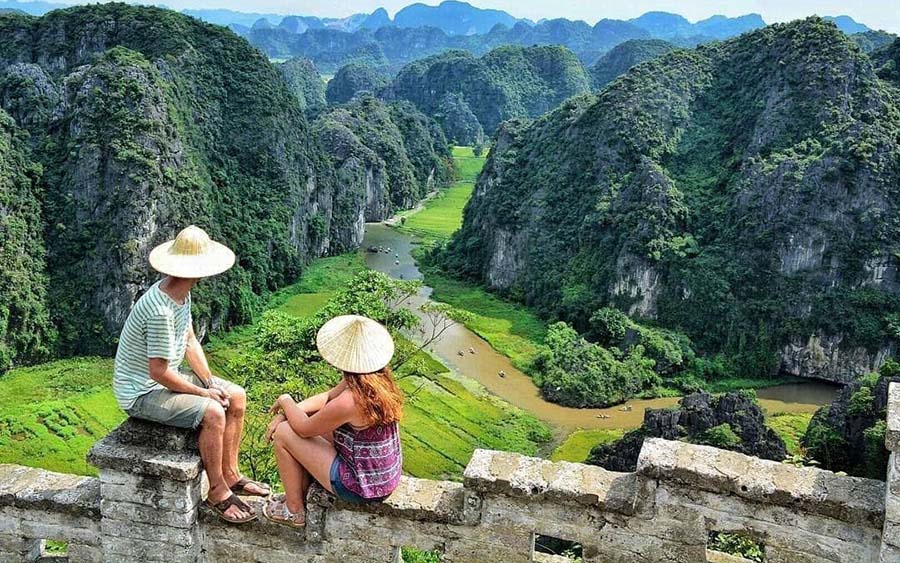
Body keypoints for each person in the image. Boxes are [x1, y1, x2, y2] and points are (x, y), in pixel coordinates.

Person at [113, 225, 270, 524]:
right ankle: (218, 491)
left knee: (235, 395)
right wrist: (203, 394)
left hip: (165, 377)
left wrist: (210, 382)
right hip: (141, 392)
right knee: (213, 412)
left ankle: (231, 473)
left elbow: (189, 341)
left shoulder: (179, 294)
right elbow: (157, 372)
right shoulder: (160, 310)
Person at [263, 315, 404, 528]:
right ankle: (299, 493)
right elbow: (327, 398)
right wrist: (291, 412)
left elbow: (303, 429)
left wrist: (286, 401)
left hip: (360, 486)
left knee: (284, 433)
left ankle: (294, 511)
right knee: (302, 421)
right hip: (381, 477)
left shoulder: (352, 399)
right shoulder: (375, 381)